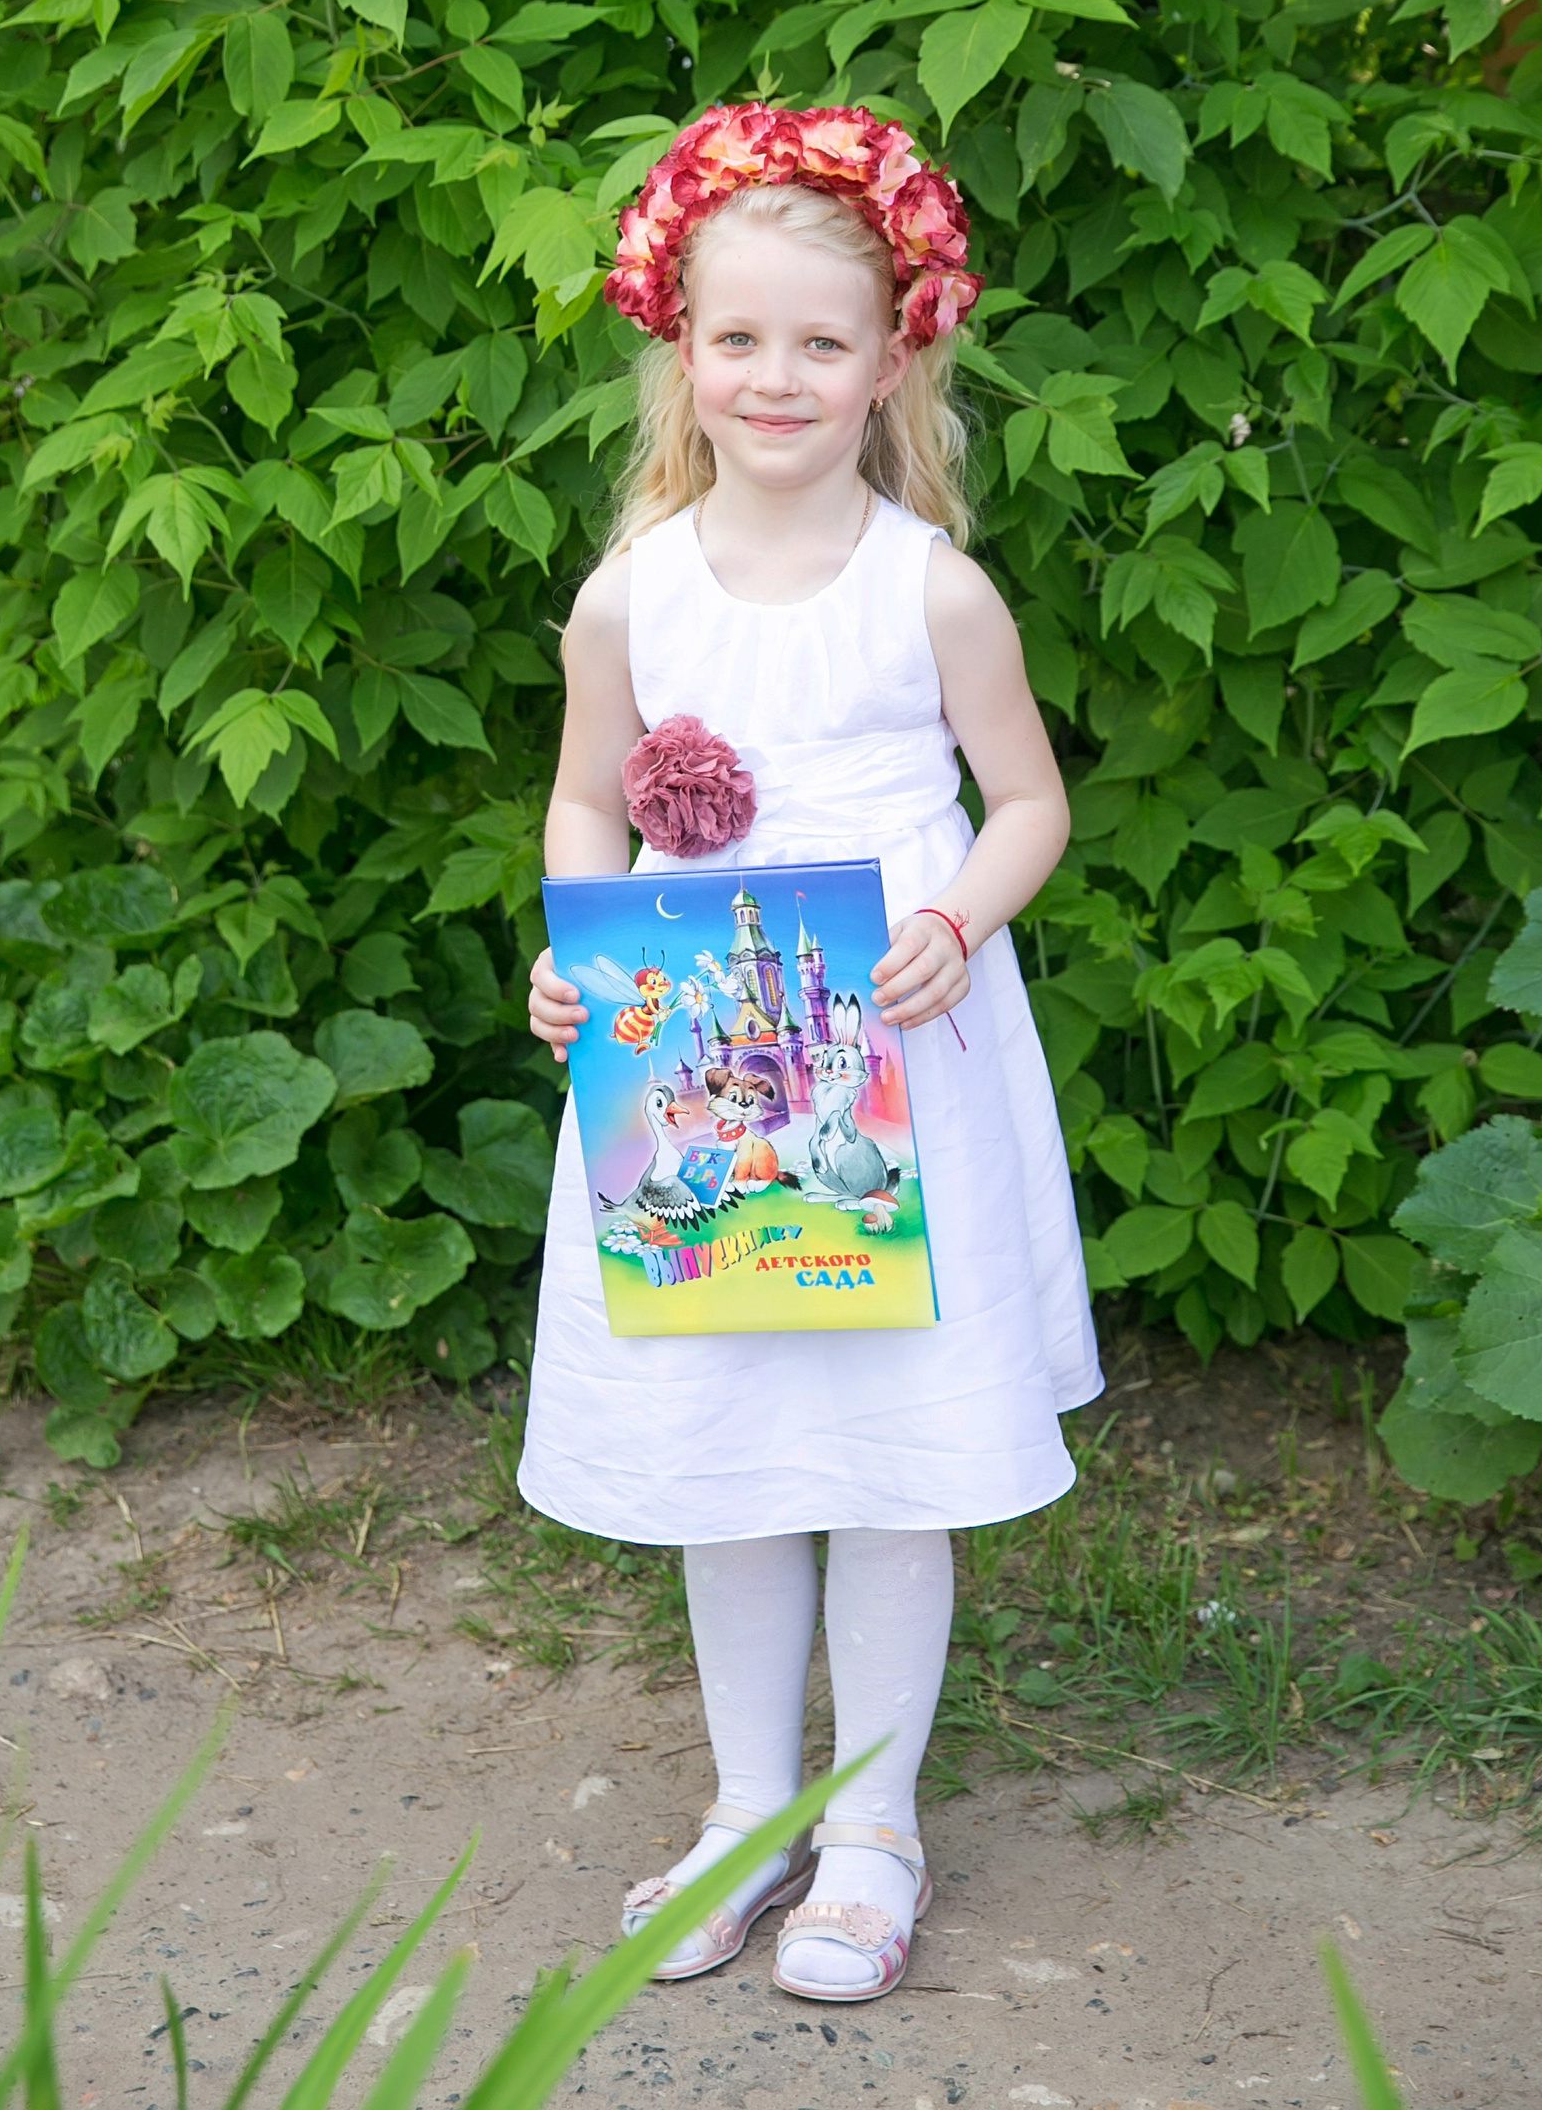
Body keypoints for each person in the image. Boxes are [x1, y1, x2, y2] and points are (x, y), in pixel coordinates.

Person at [522, 102, 1101, 2004]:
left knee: (888, 1454)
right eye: (740, 337)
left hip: (894, 1067)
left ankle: (875, 1829)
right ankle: (749, 1810)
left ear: (894, 356)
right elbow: (585, 802)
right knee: (733, 1446)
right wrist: (572, 953)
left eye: (821, 342)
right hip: (693, 1068)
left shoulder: (928, 587)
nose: (776, 377)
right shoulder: (635, 591)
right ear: (678, 345)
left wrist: (962, 918)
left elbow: (1029, 804)